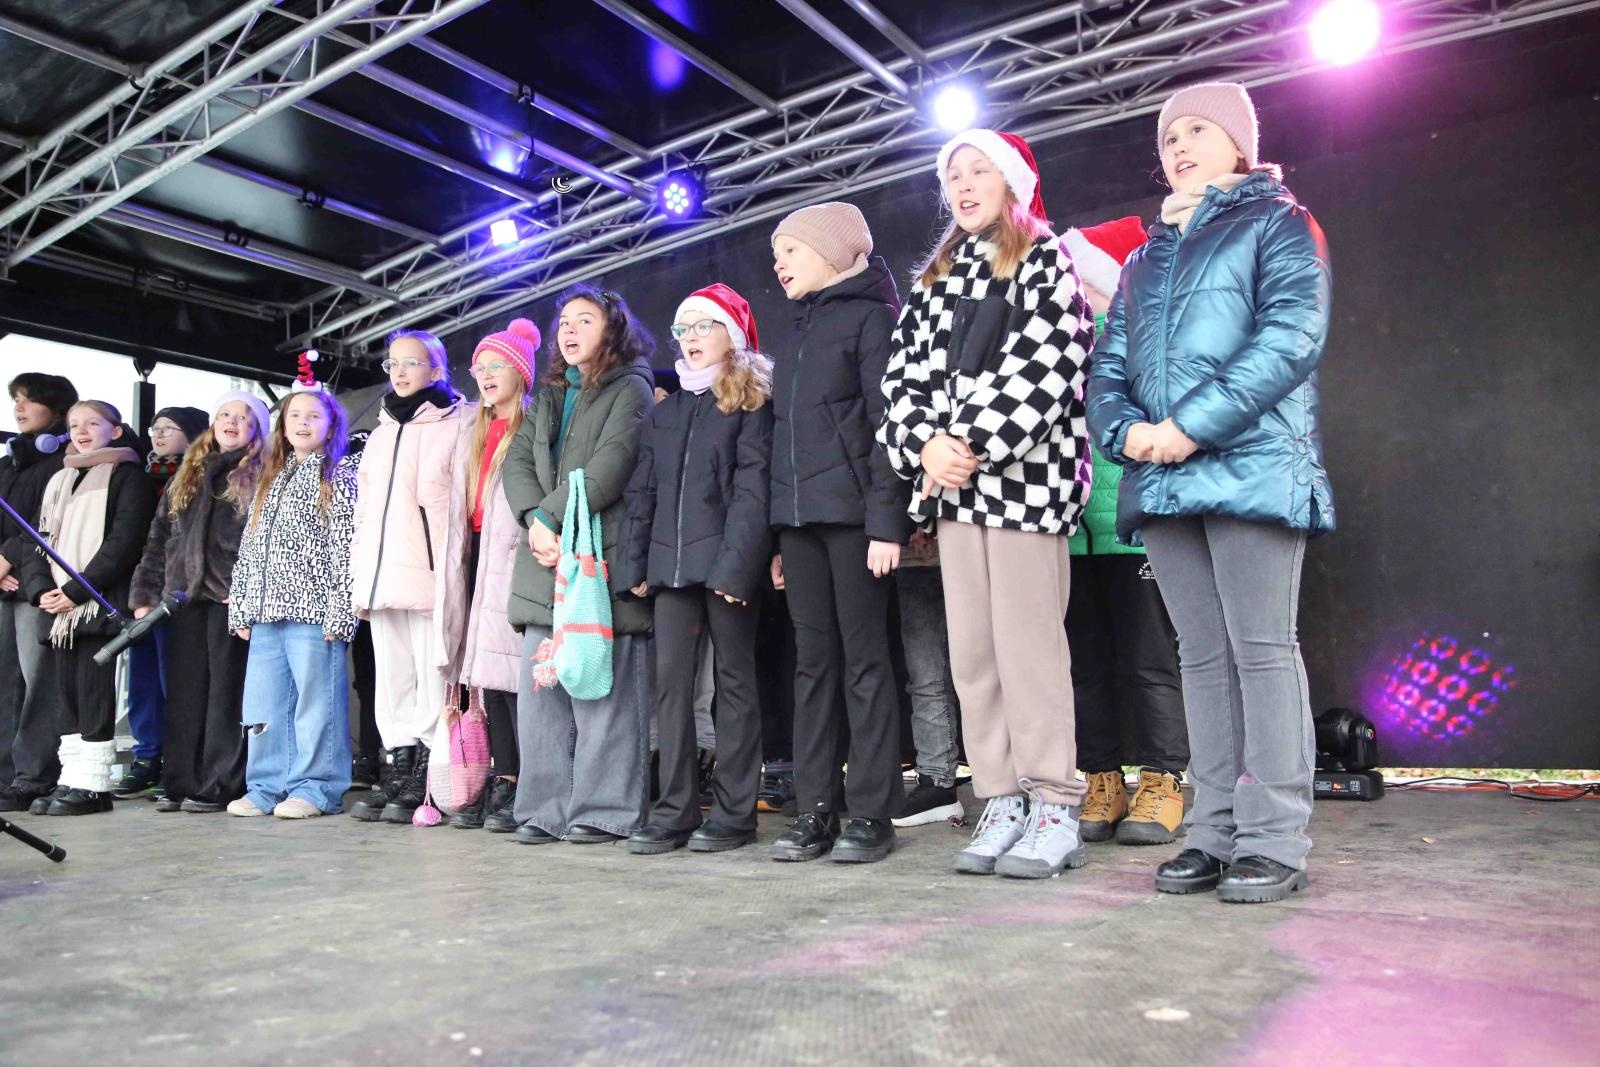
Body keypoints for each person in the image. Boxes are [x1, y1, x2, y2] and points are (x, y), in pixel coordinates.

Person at [1086, 82, 1333, 903]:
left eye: (1198, 130)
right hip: (1163, 479)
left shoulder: (1280, 222)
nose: (1180, 147)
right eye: (1168, 139)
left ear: (1240, 143)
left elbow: (1292, 336)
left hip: (1253, 466)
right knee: (1201, 656)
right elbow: (1107, 371)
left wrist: (1188, 426)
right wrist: (1128, 435)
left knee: (1262, 650)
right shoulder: (1144, 259)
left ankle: (1274, 837)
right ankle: (1214, 829)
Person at [880, 129, 1094, 879]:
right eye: (954, 176)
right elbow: (900, 380)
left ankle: (1055, 802)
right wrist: (925, 446)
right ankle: (999, 794)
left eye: (980, 172)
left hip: (1026, 492)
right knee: (972, 654)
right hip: (956, 498)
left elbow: (1050, 362)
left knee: (1030, 651)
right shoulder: (937, 276)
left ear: (1012, 183)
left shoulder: (1044, 260)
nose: (964, 185)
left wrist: (963, 441)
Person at [766, 202, 912, 864]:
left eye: (790, 250)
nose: (779, 263)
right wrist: (776, 535)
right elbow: (782, 440)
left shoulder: (871, 318)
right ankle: (816, 807)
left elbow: (889, 427)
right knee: (812, 665)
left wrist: (887, 523)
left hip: (855, 523)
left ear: (830, 252)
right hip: (799, 525)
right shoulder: (793, 333)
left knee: (865, 662)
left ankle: (871, 811)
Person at [616, 283, 773, 855]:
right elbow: (643, 494)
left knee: (733, 687)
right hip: (669, 571)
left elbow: (754, 493)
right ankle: (675, 808)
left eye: (703, 327)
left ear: (729, 334)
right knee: (671, 691)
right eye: (682, 330)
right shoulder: (668, 411)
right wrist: (635, 565)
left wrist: (736, 571)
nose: (690, 339)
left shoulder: (751, 403)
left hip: (725, 571)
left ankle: (734, 812)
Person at [502, 285, 655, 845]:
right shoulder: (546, 395)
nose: (568, 331)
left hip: (600, 556)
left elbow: (611, 464)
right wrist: (534, 520)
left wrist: (548, 519)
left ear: (612, 329)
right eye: (563, 321)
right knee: (542, 692)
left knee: (602, 690)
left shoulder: (633, 388)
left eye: (583, 320)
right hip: (545, 556)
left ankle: (606, 810)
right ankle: (542, 810)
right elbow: (516, 461)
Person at [1060, 216, 1188, 845]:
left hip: (1135, 529)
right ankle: (1101, 777)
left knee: (1149, 659)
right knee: (1084, 663)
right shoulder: (1060, 347)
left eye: (1088, 279)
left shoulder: (1147, 340)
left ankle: (1164, 779)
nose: (1079, 291)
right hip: (1072, 532)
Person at [2, 400, 156, 815]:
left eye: (93, 423)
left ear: (116, 430)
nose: (82, 431)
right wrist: (39, 592)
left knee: (91, 693)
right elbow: (35, 540)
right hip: (56, 609)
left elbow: (123, 544)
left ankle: (93, 786)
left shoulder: (129, 478)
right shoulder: (59, 478)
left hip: (94, 605)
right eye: (74, 425)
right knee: (63, 697)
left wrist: (76, 589)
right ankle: (71, 778)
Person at [130, 392, 270, 814]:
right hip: (181, 599)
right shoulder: (186, 474)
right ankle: (180, 780)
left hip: (229, 600)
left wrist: (245, 590)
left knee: (226, 694)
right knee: (185, 693)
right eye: (224, 414)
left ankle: (219, 784)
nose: (231, 421)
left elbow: (266, 545)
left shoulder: (263, 474)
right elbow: (158, 540)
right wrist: (144, 594)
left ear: (258, 428)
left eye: (243, 417)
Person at [348, 330, 465, 824]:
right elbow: (366, 512)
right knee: (391, 676)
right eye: (392, 363)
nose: (398, 372)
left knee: (429, 669)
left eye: (411, 362)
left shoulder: (457, 424)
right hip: (380, 572)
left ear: (436, 371)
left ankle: (429, 775)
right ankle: (398, 767)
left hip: (428, 570)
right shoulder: (378, 433)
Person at [227, 383, 358, 819]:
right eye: (295, 415)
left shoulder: (339, 475)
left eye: (313, 416)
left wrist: (341, 611)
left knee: (315, 706)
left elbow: (346, 547)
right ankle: (265, 786)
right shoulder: (271, 480)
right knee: (263, 705)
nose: (303, 422)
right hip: (265, 616)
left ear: (330, 425)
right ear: (282, 426)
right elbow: (249, 549)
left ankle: (316, 787)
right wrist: (241, 607)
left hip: (313, 614)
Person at [435, 319, 542, 832]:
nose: (485, 375)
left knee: (510, 674)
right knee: (482, 676)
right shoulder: (471, 429)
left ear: (520, 371)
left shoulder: (534, 422)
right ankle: (500, 775)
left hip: (515, 554)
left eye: (496, 365)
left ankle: (520, 778)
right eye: (479, 367)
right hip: (476, 554)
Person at [116, 403, 210, 799]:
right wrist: (140, 596)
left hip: (185, 597)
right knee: (144, 681)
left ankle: (179, 759)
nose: (158, 435)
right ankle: (147, 756)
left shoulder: (201, 475)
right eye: (155, 428)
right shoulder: (144, 478)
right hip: (146, 593)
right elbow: (152, 543)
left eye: (169, 428)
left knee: (178, 683)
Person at [0, 373, 77, 813]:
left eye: (28, 400)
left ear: (56, 410)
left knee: (37, 682)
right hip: (4, 583)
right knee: (4, 681)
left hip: (36, 581)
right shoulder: (9, 463)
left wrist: (9, 558)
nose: (18, 407)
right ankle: (5, 773)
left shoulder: (61, 461)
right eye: (15, 400)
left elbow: (43, 523)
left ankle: (33, 774)